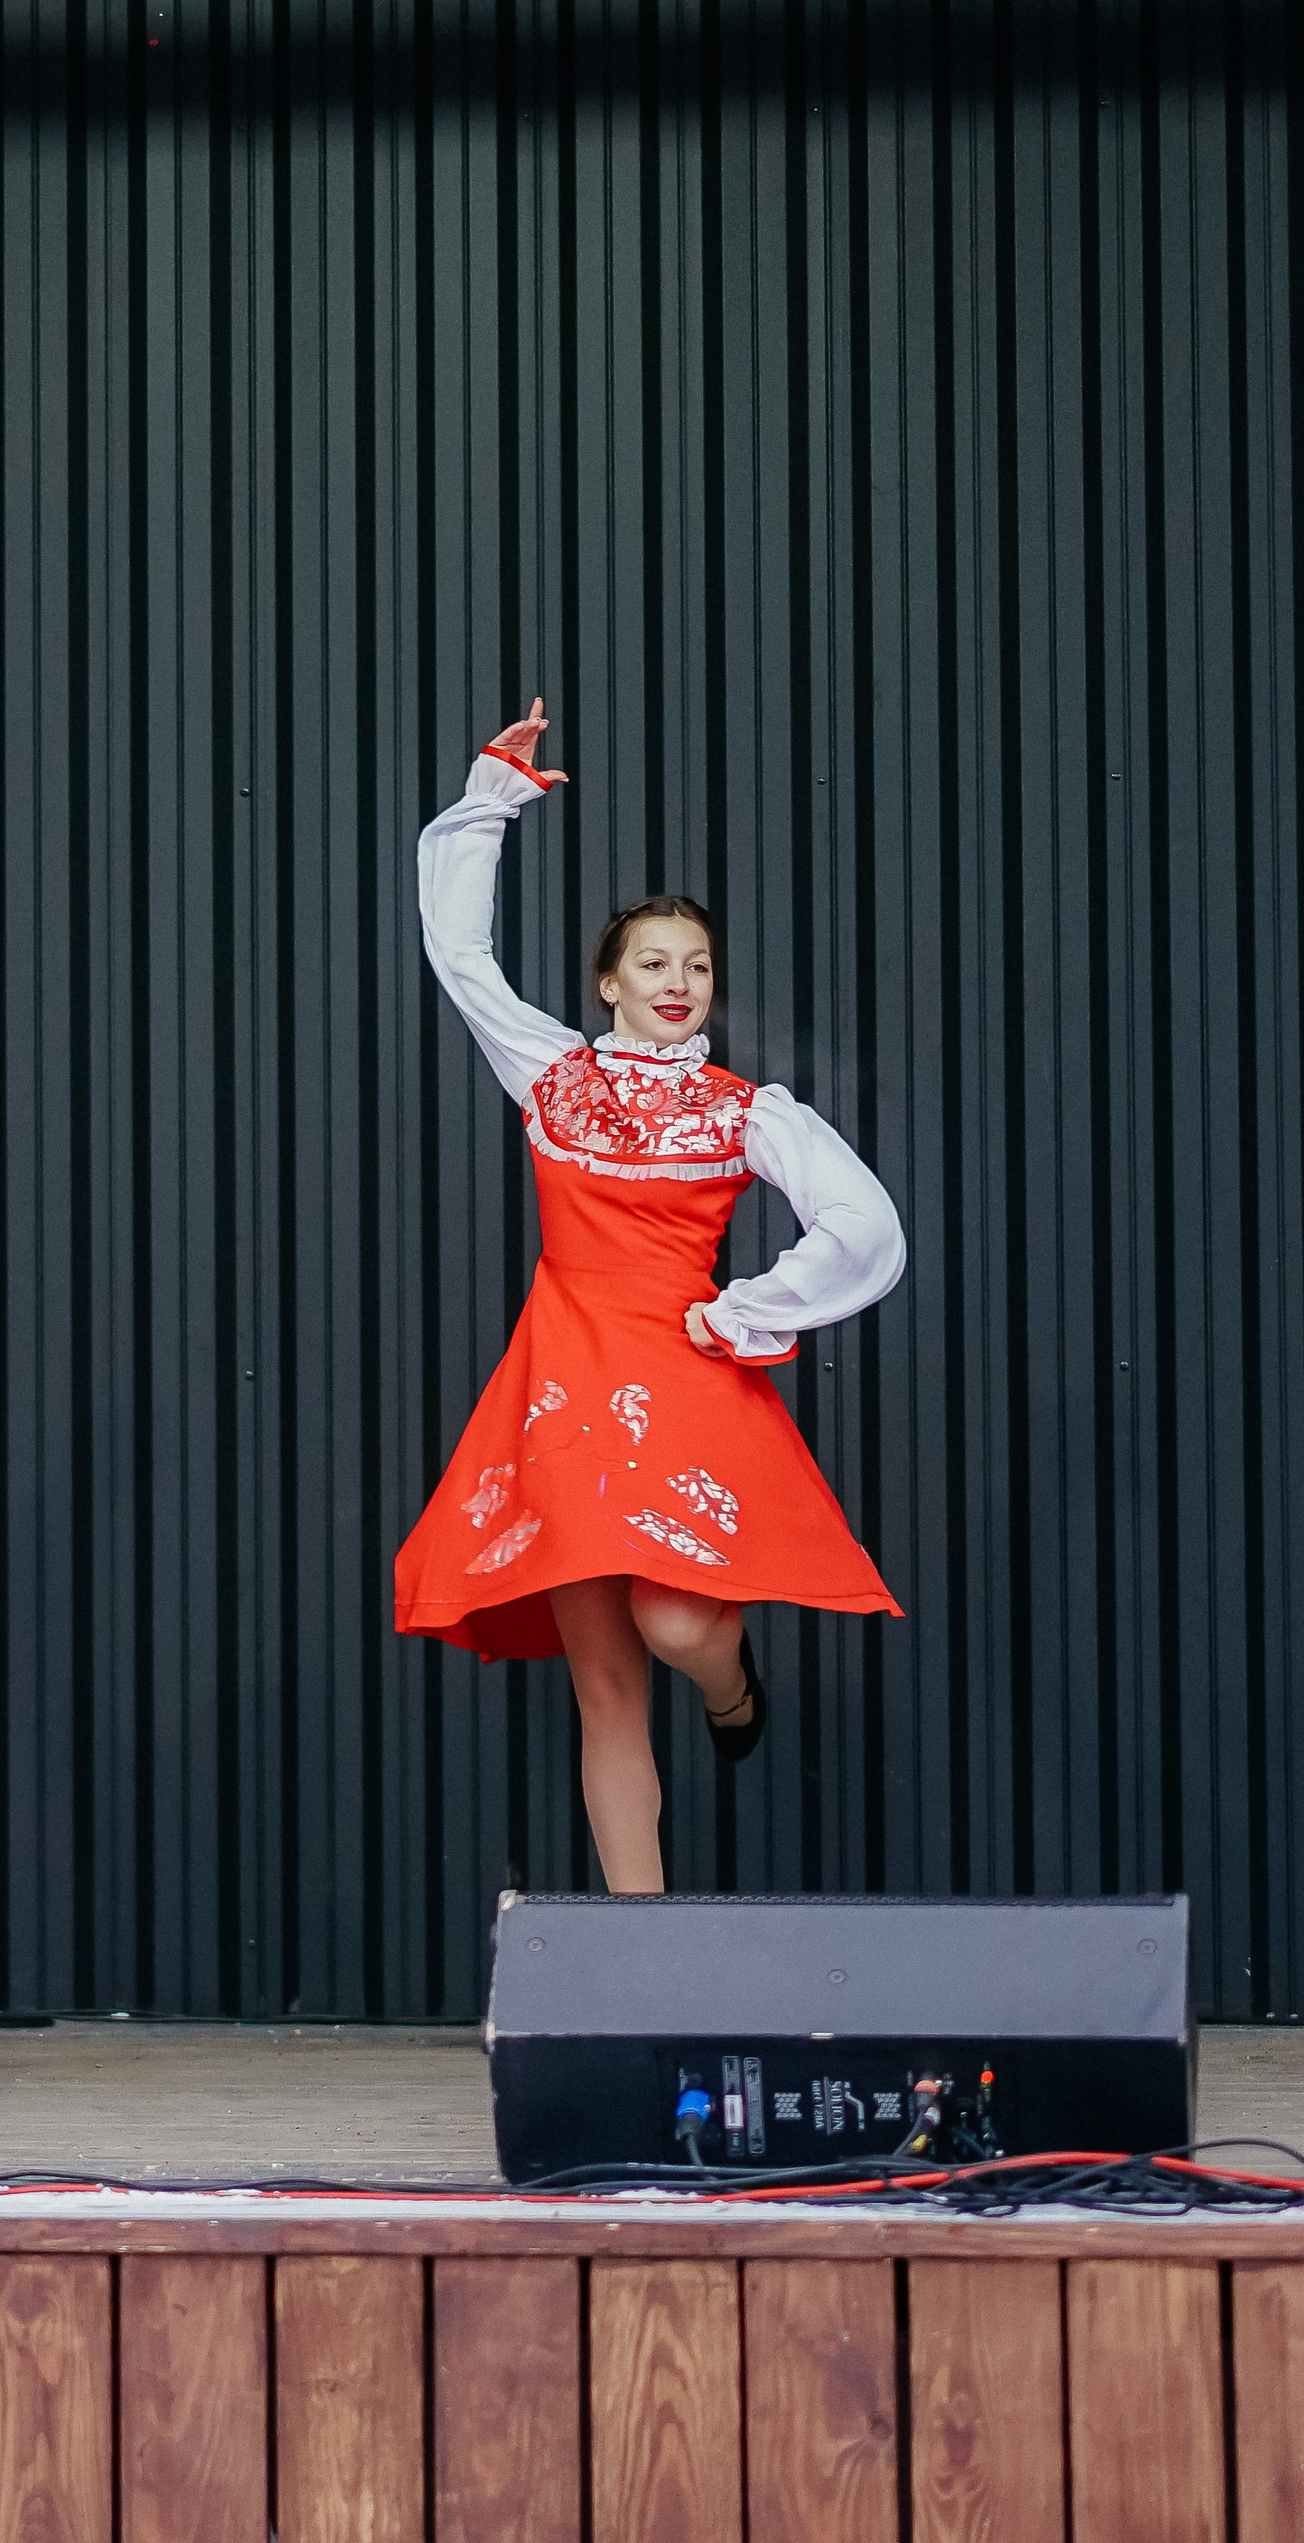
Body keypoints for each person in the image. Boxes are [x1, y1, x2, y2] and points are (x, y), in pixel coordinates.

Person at [394, 698, 904, 1894]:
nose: (679, 983)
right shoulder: (552, 1075)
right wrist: (490, 801)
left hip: (680, 1373)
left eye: (698, 966)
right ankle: (643, 1946)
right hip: (563, 1387)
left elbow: (864, 1222)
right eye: (655, 964)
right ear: (608, 982)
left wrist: (746, 1309)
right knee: (606, 1686)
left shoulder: (741, 1109)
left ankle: (730, 1688)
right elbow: (459, 957)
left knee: (679, 1627)